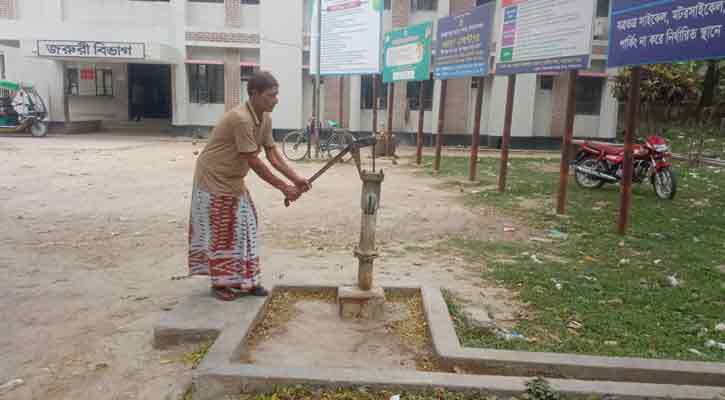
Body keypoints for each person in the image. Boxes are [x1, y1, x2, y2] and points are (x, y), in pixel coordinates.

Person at [188, 71, 310, 301]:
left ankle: (248, 280)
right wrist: (284, 187)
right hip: (213, 178)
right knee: (223, 230)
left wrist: (295, 179)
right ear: (254, 94)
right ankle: (220, 283)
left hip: (233, 179)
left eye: (276, 95)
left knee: (247, 225)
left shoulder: (265, 118)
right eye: (270, 95)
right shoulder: (241, 119)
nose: (276, 100)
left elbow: (272, 152)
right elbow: (253, 160)